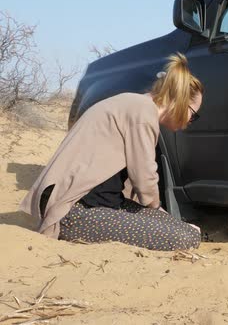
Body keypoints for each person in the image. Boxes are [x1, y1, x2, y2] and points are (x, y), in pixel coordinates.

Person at [18, 52, 203, 251]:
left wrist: (164, 217)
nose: (190, 122)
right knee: (186, 238)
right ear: (180, 101)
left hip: (98, 204)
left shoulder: (135, 104)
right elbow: (145, 177)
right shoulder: (143, 112)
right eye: (193, 115)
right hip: (74, 211)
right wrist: (159, 210)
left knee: (182, 228)